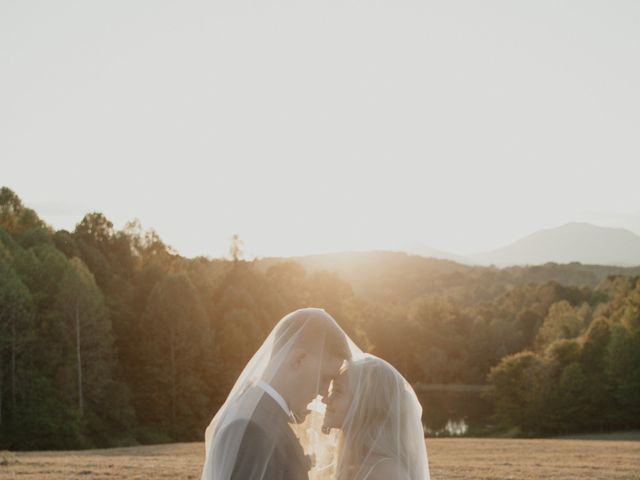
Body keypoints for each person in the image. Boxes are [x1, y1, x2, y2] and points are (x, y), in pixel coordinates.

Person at [200, 307, 358, 480]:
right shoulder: (251, 429)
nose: (323, 392)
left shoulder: (257, 414)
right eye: (325, 378)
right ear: (299, 360)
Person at [322, 354, 431, 480]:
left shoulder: (388, 472)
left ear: (365, 403)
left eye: (337, 391)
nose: (325, 400)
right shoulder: (351, 462)